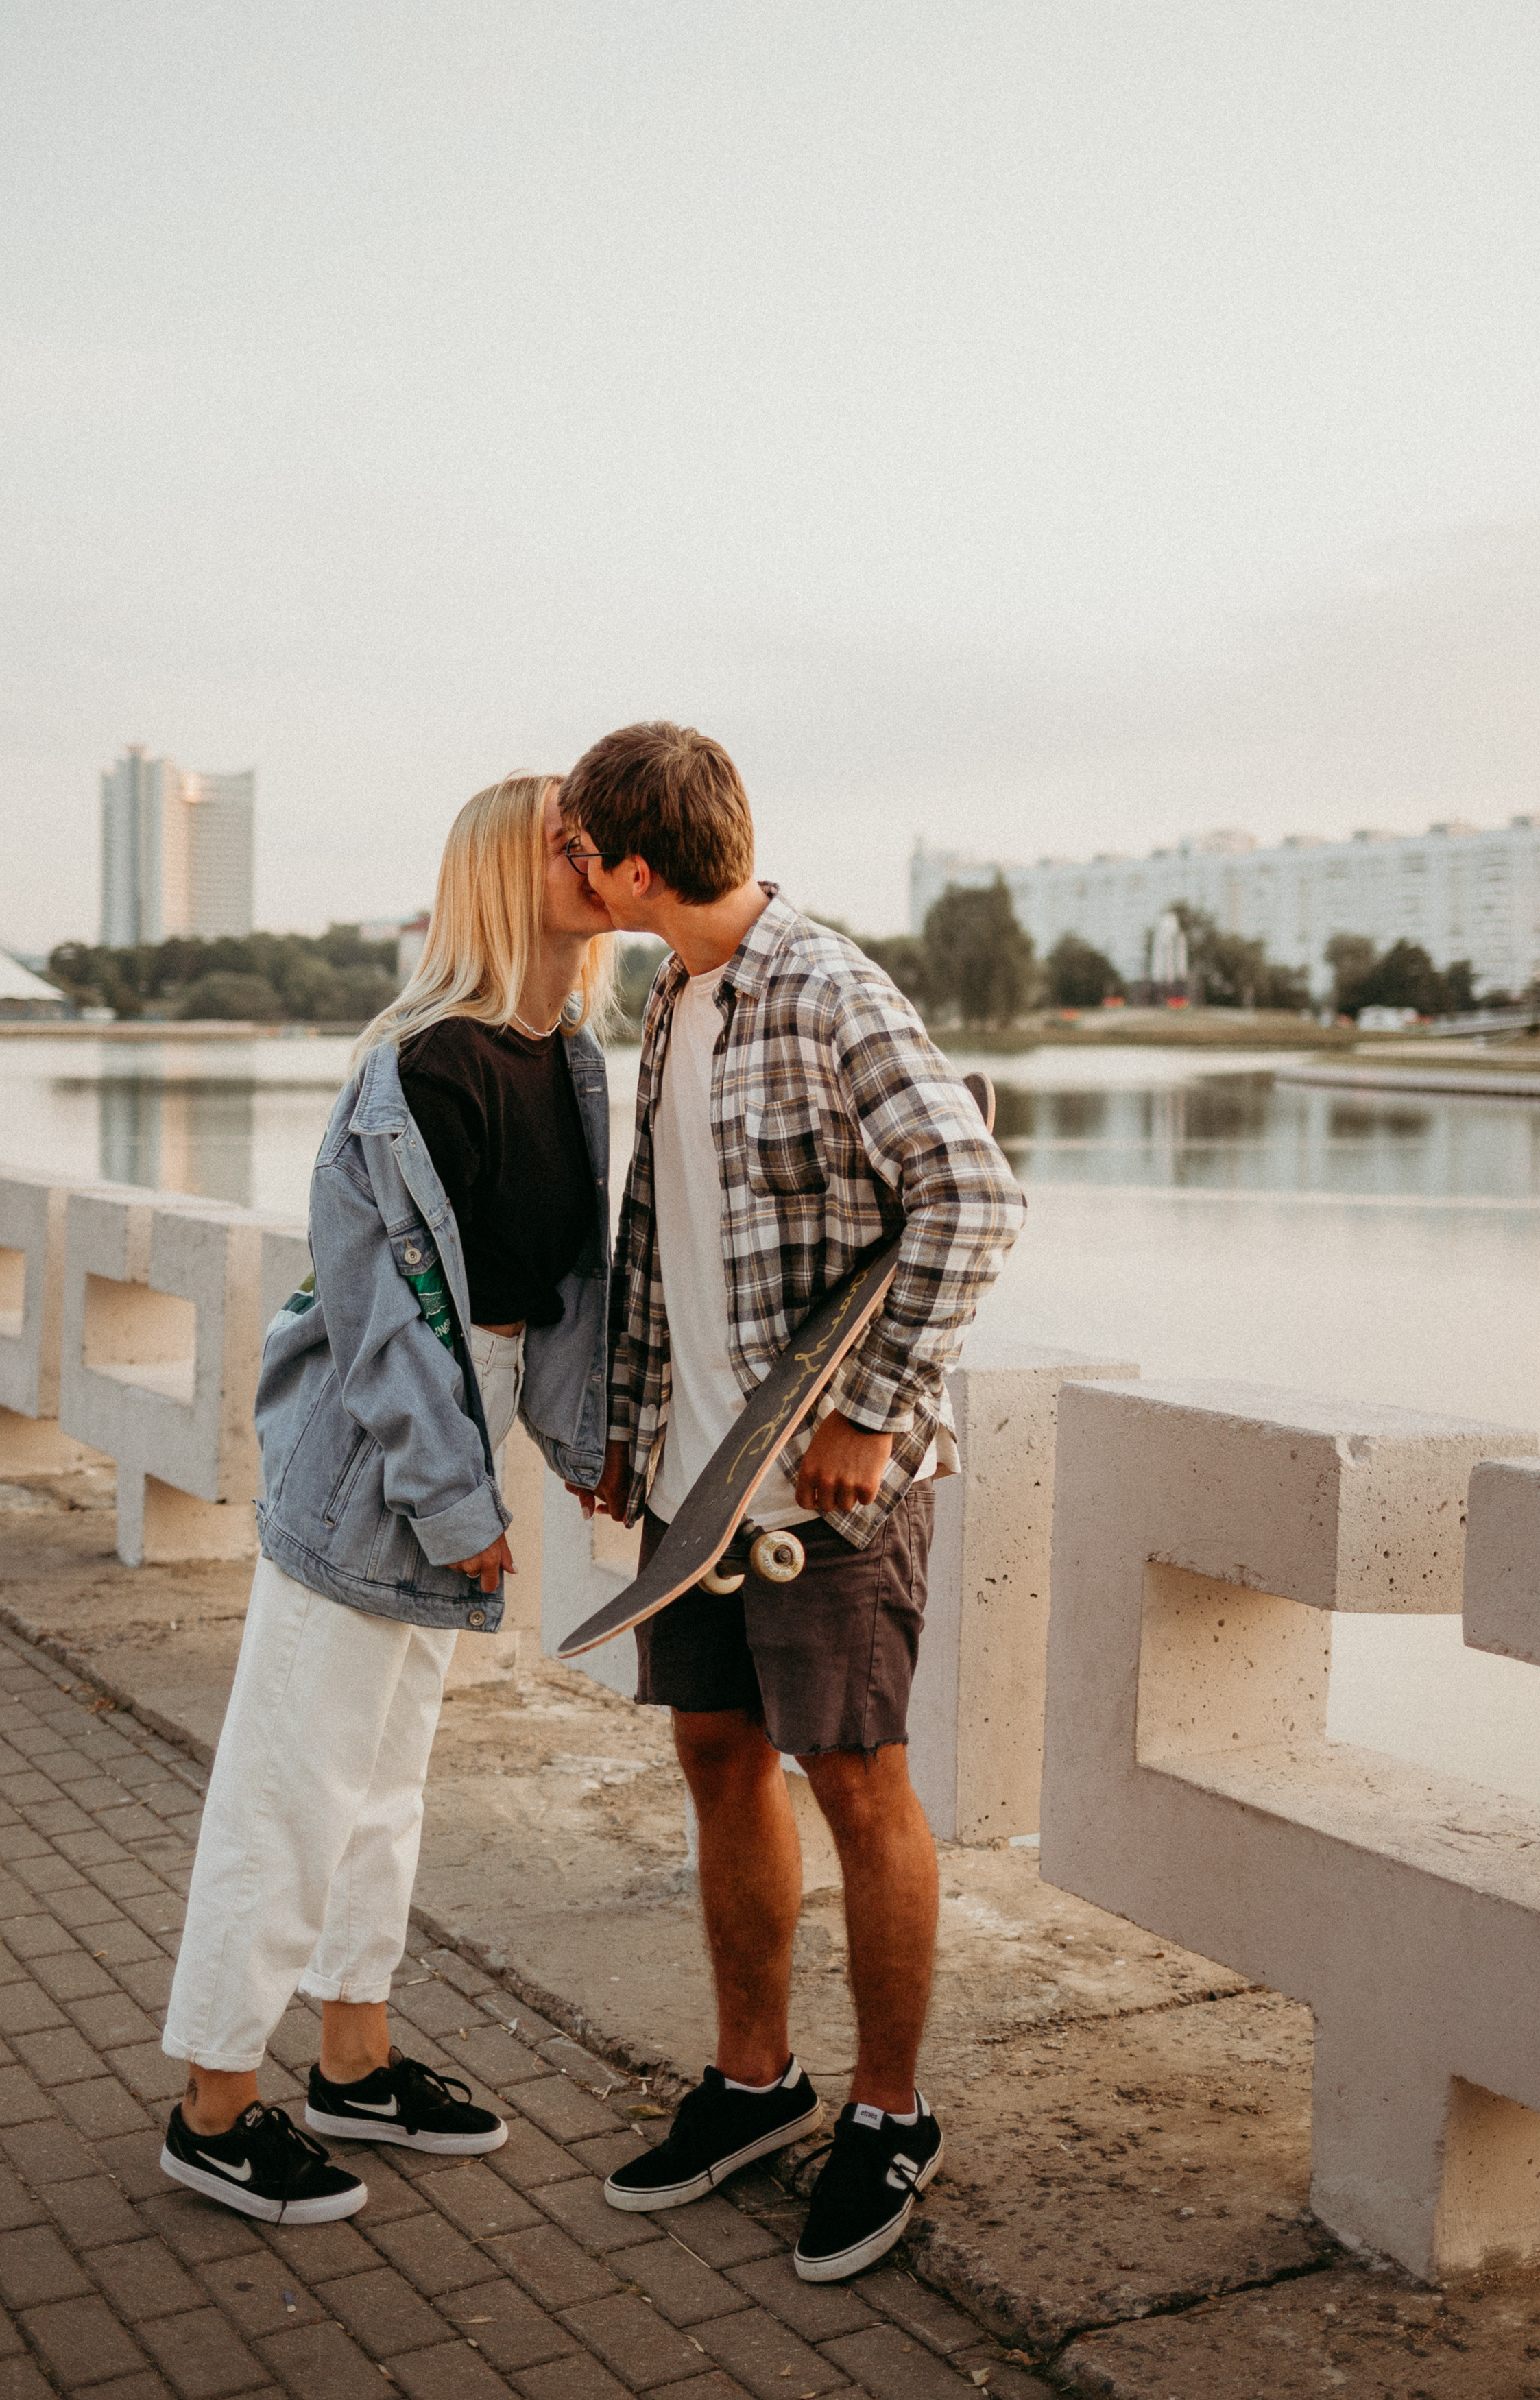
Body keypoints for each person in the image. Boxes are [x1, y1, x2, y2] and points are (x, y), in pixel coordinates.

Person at [559, 723, 1024, 2281]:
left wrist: (868, 1410)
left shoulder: (827, 990)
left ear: (635, 868)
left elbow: (974, 1196)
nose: (570, 871)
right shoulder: (672, 996)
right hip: (694, 1489)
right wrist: (626, 1424)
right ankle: (755, 2085)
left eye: (580, 851)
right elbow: (661, 1241)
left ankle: (891, 2115)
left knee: (857, 1782)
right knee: (715, 1755)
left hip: (825, 1494)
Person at [158, 773, 616, 2224]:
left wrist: (585, 1446)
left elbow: (557, 1292)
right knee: (291, 1782)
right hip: (376, 1456)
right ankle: (212, 2105)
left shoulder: (572, 1058)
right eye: (565, 839)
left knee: (383, 1778)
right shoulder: (414, 1070)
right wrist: (457, 1504)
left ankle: (353, 2060)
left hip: (463, 1437)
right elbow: (382, 1328)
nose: (596, 854)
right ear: (502, 871)